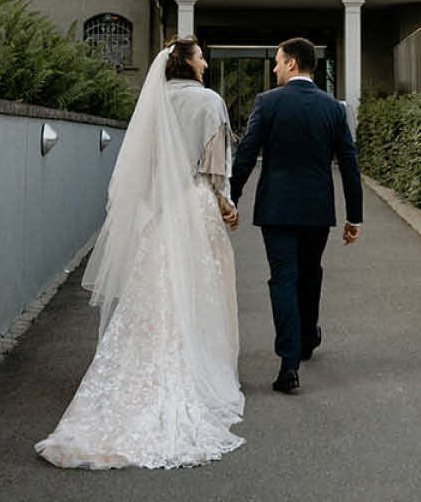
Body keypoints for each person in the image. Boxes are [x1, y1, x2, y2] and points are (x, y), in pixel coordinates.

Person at [35, 36, 245, 469]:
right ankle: (193, 364)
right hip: (195, 203)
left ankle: (144, 362)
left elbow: (141, 166)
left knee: (156, 289)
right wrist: (227, 205)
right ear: (187, 62)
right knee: (200, 285)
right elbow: (214, 168)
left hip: (160, 207)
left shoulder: (153, 103)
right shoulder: (209, 102)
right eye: (201, 55)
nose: (205, 61)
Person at [231, 37, 364, 395]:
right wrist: (354, 217)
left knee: (283, 279)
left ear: (292, 63)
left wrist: (230, 198)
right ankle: (307, 336)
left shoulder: (268, 103)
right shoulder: (334, 109)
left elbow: (245, 154)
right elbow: (349, 164)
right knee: (310, 273)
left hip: (276, 208)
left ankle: (289, 364)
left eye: (277, 61)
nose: (274, 68)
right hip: (317, 209)